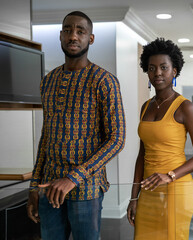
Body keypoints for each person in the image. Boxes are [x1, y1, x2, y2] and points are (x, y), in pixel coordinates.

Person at [26, 11, 126, 240]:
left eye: (80, 31)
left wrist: (73, 178)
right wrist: (34, 186)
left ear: (90, 38)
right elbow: (46, 137)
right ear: (61, 36)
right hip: (48, 187)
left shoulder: (104, 80)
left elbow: (117, 139)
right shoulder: (48, 81)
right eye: (68, 30)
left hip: (86, 189)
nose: (73, 36)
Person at [126, 38, 193, 240]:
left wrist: (170, 175)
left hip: (176, 188)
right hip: (147, 191)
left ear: (175, 71)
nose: (158, 73)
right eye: (152, 68)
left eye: (164, 67)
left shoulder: (185, 107)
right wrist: (133, 196)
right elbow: (142, 155)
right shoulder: (146, 106)